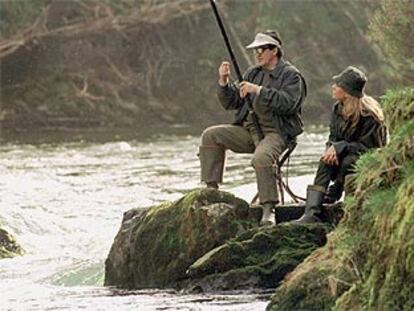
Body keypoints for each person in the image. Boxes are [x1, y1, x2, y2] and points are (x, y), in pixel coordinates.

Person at [199, 31, 307, 226]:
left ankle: (269, 209)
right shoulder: (252, 73)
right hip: (250, 130)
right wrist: (224, 82)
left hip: (278, 133)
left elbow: (288, 103)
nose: (257, 54)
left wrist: (258, 90)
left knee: (262, 158)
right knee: (211, 135)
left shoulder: (291, 75)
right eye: (255, 50)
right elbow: (232, 102)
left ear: (274, 50)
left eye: (262, 49)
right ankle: (211, 190)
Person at [292, 66, 387, 224]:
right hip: (344, 155)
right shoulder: (337, 109)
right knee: (325, 160)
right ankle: (311, 212)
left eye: (338, 85)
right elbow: (333, 137)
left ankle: (334, 192)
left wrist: (340, 146)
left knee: (348, 161)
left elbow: (369, 149)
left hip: (366, 161)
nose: (333, 87)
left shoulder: (368, 114)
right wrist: (331, 149)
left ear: (347, 91)